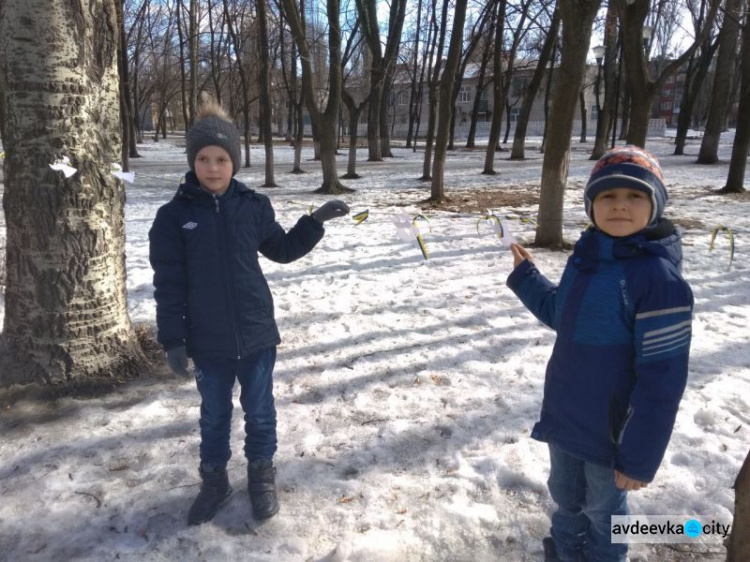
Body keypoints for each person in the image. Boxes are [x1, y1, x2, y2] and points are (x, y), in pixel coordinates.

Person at [149, 102, 349, 526]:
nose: (212, 167)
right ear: (192, 162)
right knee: (214, 415)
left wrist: (313, 222)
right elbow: (168, 285)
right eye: (203, 158)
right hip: (208, 341)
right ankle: (214, 481)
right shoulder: (172, 218)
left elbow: (281, 250)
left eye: (221, 159)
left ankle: (261, 476)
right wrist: (173, 339)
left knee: (260, 411)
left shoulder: (253, 206)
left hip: (257, 334)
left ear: (234, 162)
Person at [506, 147, 693, 562]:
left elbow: (663, 380)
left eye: (635, 196)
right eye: (608, 196)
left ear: (655, 205)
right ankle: (567, 552)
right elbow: (563, 315)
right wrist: (527, 278)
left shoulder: (659, 280)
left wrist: (639, 458)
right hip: (565, 416)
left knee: (604, 511)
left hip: (613, 435)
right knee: (566, 499)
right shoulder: (587, 257)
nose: (620, 206)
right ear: (592, 205)